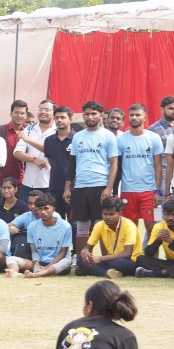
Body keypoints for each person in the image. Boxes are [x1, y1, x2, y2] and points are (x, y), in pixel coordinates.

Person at [66, 102, 118, 256]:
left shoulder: (108, 135)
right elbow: (72, 164)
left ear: (100, 115)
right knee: (81, 226)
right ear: (83, 116)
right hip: (81, 187)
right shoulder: (78, 136)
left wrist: (109, 188)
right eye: (87, 114)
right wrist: (67, 187)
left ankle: (105, 259)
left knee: (102, 225)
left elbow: (114, 163)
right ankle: (82, 260)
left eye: (93, 114)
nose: (90, 117)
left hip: (101, 185)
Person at [115, 104, 162, 229]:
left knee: (153, 227)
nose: (134, 117)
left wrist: (158, 191)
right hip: (128, 190)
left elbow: (158, 166)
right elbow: (118, 168)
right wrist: (115, 191)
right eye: (131, 115)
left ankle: (153, 250)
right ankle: (133, 250)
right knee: (130, 228)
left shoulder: (154, 138)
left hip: (149, 191)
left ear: (145, 118)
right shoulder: (121, 139)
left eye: (137, 115)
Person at [5, 193, 73, 277]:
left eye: (46, 208)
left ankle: (37, 274)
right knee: (10, 258)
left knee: (67, 261)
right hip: (40, 262)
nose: (43, 212)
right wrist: (36, 263)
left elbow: (63, 253)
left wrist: (47, 267)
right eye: (40, 209)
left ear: (53, 209)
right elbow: (34, 251)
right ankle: (14, 273)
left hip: (57, 263)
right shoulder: (32, 226)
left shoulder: (65, 226)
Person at [76, 197, 142, 277]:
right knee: (79, 259)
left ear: (119, 214)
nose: (108, 217)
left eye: (111, 214)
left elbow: (127, 254)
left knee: (117, 264)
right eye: (105, 214)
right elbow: (87, 247)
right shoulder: (99, 225)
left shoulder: (129, 225)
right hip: (110, 260)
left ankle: (96, 271)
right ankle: (106, 274)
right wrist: (84, 253)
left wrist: (101, 258)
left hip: (130, 261)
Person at [133, 199, 174, 279]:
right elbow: (148, 253)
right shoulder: (158, 227)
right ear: (163, 215)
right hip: (169, 262)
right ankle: (172, 271)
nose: (170, 218)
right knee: (140, 259)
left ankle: (160, 273)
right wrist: (158, 240)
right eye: (167, 215)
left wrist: (170, 241)